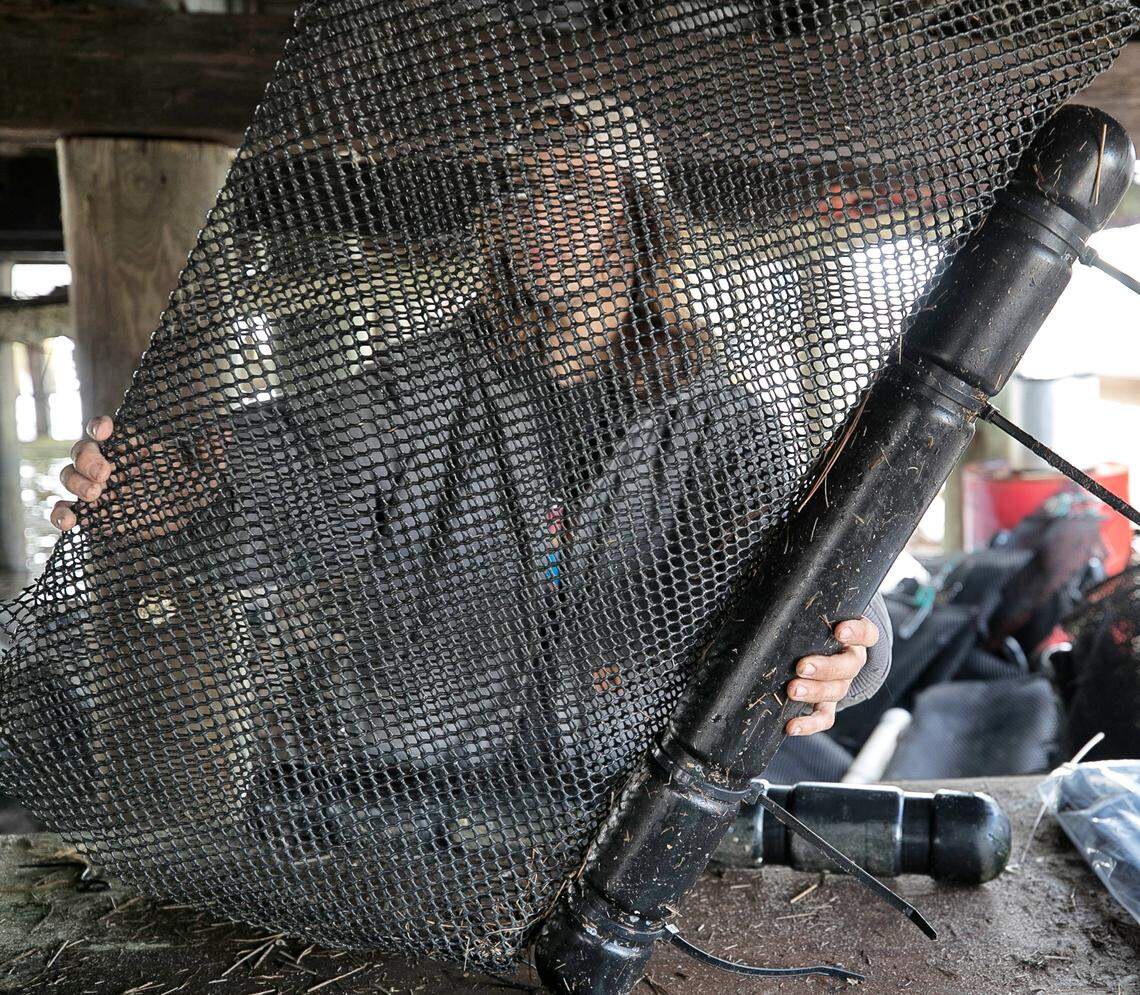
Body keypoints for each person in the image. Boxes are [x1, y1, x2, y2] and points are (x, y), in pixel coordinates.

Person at [48, 98, 890, 847]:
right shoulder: (420, 387)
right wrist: (194, 494)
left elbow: (821, 563)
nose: (539, 212)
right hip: (406, 796)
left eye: (573, 187)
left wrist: (855, 649)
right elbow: (303, 473)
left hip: (627, 788)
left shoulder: (720, 420)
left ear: (639, 224)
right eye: (521, 188)